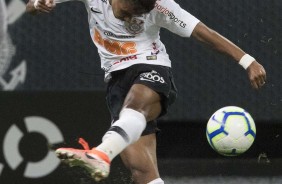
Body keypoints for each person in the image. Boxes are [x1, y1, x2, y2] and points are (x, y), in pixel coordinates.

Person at [26, 0, 267, 183]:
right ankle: (104, 153)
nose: (134, 17)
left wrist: (247, 61)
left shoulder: (161, 7)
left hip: (152, 66)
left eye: (141, 14)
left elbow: (203, 33)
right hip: (116, 78)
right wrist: (38, 4)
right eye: (131, 10)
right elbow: (31, 7)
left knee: (135, 106)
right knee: (142, 173)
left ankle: (101, 153)